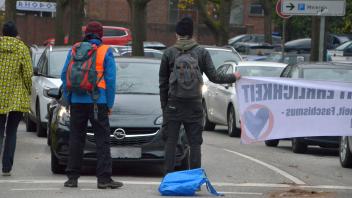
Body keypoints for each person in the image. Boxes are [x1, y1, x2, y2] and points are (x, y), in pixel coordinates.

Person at [159, 17, 241, 174]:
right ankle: (195, 180)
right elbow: (215, 77)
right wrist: (234, 76)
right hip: (195, 104)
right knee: (195, 143)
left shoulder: (169, 53)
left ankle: (168, 180)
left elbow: (163, 84)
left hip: (174, 104)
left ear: (177, 34)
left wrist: (165, 108)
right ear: (192, 34)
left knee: (171, 142)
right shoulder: (201, 53)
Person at [61, 21, 122, 189]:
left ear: (86, 33)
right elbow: (110, 80)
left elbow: (64, 74)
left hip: (77, 101)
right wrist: (109, 104)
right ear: (101, 35)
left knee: (76, 139)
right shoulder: (105, 51)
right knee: (102, 140)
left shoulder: (74, 49)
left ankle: (72, 178)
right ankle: (103, 179)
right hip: (98, 102)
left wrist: (68, 98)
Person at [0, 21, 32, 176]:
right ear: (16, 33)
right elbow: (27, 73)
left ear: (2, 33)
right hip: (16, 97)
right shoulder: (22, 48)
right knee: (11, 132)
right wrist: (27, 89)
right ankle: (6, 167)